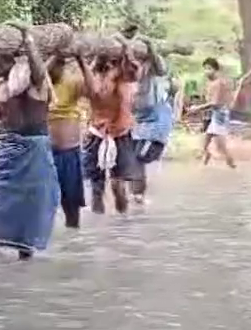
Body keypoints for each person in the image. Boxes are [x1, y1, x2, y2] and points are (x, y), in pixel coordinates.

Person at [0, 25, 60, 259]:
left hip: (33, 148)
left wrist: (28, 39)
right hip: (8, 148)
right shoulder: (2, 87)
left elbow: (38, 71)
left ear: (12, 60)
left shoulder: (33, 82)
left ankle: (24, 252)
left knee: (31, 204)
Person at [79, 40, 142, 214]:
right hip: (97, 131)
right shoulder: (94, 76)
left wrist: (127, 49)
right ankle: (107, 225)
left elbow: (133, 72)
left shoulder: (121, 75)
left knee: (117, 184)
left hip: (119, 132)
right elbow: (88, 89)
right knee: (96, 186)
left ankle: (121, 224)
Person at [128, 39, 177, 204]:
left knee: (138, 158)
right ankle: (136, 198)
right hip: (139, 122)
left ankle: (138, 197)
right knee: (132, 159)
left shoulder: (152, 69)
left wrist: (150, 47)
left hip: (156, 121)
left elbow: (161, 69)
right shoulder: (129, 68)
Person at [46, 55, 88, 228]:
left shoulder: (72, 81)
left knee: (71, 204)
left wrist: (80, 60)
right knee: (44, 204)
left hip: (68, 150)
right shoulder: (37, 82)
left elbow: (92, 90)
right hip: (44, 152)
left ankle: (73, 243)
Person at [188, 57, 237, 168]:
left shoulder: (218, 83)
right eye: (205, 68)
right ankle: (204, 163)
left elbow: (214, 102)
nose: (206, 71)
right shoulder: (212, 82)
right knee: (205, 141)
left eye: (209, 68)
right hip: (216, 113)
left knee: (220, 146)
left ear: (216, 70)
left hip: (220, 114)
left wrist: (198, 108)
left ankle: (232, 167)